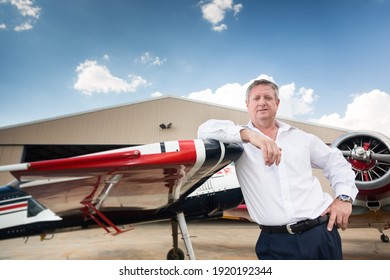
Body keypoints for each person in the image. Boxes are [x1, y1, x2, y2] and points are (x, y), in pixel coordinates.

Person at [197, 78, 358, 260]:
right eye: (256, 98)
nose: (262, 102)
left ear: (277, 103)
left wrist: (344, 198)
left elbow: (336, 162)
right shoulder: (239, 141)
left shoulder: (302, 138)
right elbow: (204, 130)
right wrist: (250, 136)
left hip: (319, 234)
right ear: (247, 104)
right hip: (274, 243)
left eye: (268, 97)